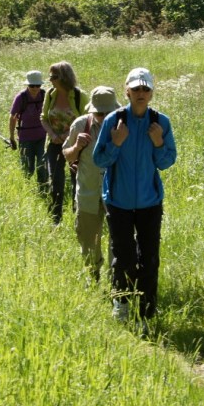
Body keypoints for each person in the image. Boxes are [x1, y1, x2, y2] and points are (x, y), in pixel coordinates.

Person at [92, 67, 176, 328]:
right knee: (124, 257)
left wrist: (159, 142)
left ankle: (147, 313)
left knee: (149, 258)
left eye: (146, 89)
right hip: (118, 202)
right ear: (126, 91)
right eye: (136, 88)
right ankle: (122, 301)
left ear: (152, 92)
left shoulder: (160, 122)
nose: (141, 93)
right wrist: (116, 142)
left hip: (150, 202)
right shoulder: (114, 122)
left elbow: (166, 161)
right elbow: (99, 160)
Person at [63, 86, 121, 282]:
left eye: (108, 112)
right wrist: (77, 146)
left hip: (117, 195)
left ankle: (116, 281)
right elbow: (67, 156)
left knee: (118, 240)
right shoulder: (80, 125)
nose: (103, 117)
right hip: (88, 193)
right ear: (91, 111)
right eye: (99, 113)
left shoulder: (123, 126)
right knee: (87, 239)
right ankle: (92, 275)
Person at [40, 61, 88, 225]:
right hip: (54, 144)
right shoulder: (50, 94)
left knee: (77, 182)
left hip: (76, 146)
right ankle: (55, 220)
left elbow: (87, 121)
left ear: (65, 77)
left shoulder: (79, 96)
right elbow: (44, 118)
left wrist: (69, 135)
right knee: (55, 182)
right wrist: (52, 134)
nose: (50, 79)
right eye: (50, 76)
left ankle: (78, 219)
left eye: (54, 76)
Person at [9, 70, 48, 194]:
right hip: (25, 138)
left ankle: (43, 190)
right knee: (28, 167)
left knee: (42, 166)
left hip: (43, 137)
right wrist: (11, 137)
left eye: (38, 85)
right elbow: (12, 117)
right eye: (32, 86)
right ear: (27, 85)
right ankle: (25, 191)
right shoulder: (21, 97)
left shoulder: (44, 95)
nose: (35, 88)